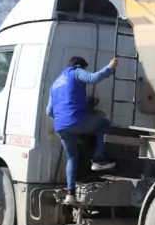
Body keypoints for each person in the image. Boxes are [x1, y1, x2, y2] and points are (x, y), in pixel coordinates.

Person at [47, 56, 118, 203]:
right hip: (76, 120)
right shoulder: (76, 72)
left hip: (61, 127)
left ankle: (70, 194)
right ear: (81, 66)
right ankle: (98, 158)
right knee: (103, 123)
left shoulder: (55, 84)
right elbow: (93, 78)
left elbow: (49, 111)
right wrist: (110, 67)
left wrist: (63, 118)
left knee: (72, 157)